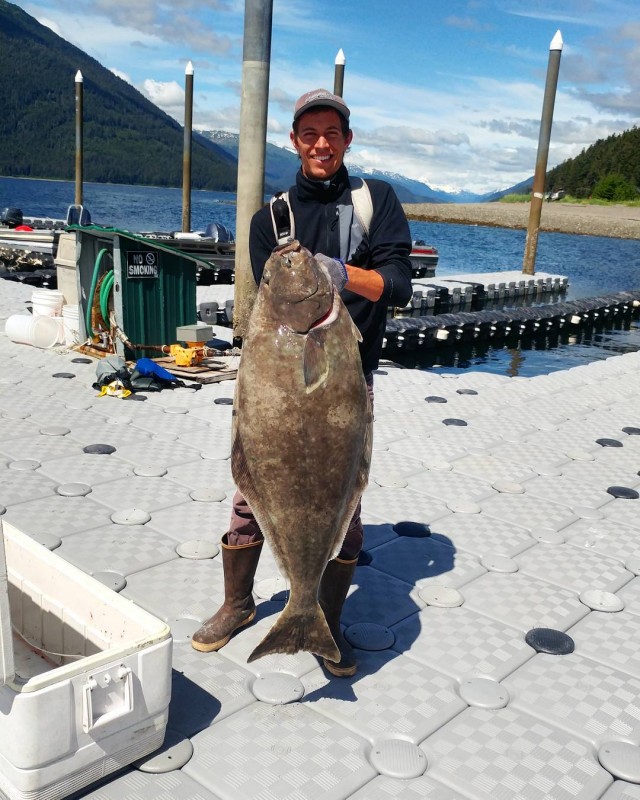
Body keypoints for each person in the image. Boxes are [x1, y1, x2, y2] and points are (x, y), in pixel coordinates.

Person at [192, 88, 413, 676]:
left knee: (345, 501)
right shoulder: (269, 219)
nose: (321, 144)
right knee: (251, 494)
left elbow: (399, 284)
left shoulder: (376, 201)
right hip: (276, 386)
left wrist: (344, 276)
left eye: (331, 133)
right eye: (309, 134)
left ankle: (321, 618)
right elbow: (270, 303)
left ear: (347, 140)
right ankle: (238, 604)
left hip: (347, 383)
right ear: (294, 141)